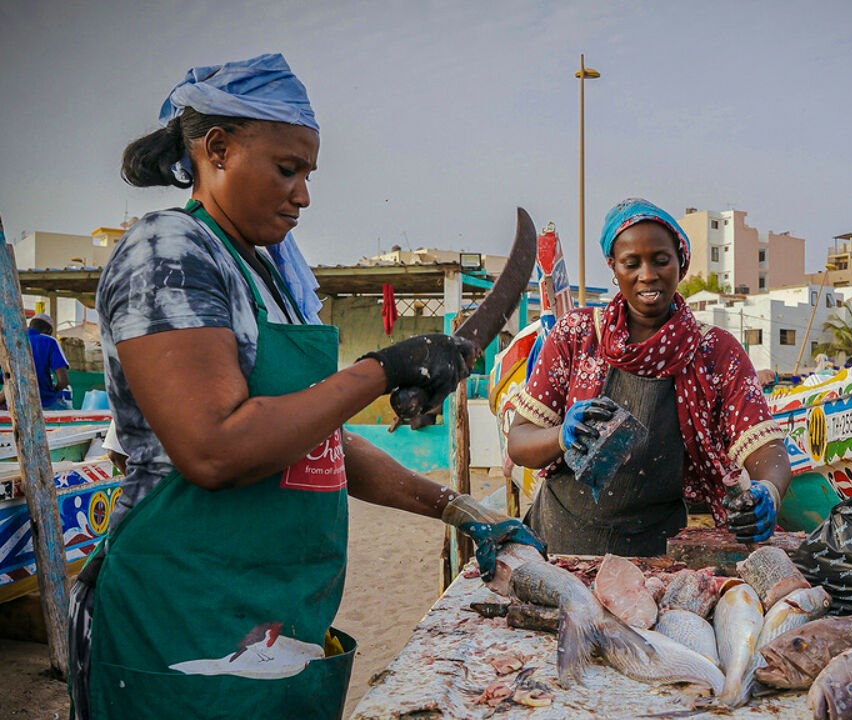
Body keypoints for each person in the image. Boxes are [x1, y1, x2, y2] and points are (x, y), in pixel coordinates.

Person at [68, 53, 541, 719]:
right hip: (185, 622)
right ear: (218, 150)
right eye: (288, 170)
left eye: (308, 174)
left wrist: (457, 508)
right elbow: (214, 449)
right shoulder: (171, 251)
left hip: (273, 625)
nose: (304, 195)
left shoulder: (270, 279)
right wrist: (383, 368)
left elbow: (318, 445)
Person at [506, 198, 792, 555]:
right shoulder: (576, 336)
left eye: (661, 260)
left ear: (680, 265)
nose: (648, 275)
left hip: (656, 555)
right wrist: (561, 436)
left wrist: (769, 490)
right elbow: (519, 442)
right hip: (559, 544)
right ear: (613, 267)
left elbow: (765, 446)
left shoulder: (715, 353)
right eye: (632, 263)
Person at [28, 313, 72, 410]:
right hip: (43, 401)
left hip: (12, 402)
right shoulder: (49, 341)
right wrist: (54, 390)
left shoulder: (11, 340)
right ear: (48, 331)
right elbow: (63, 381)